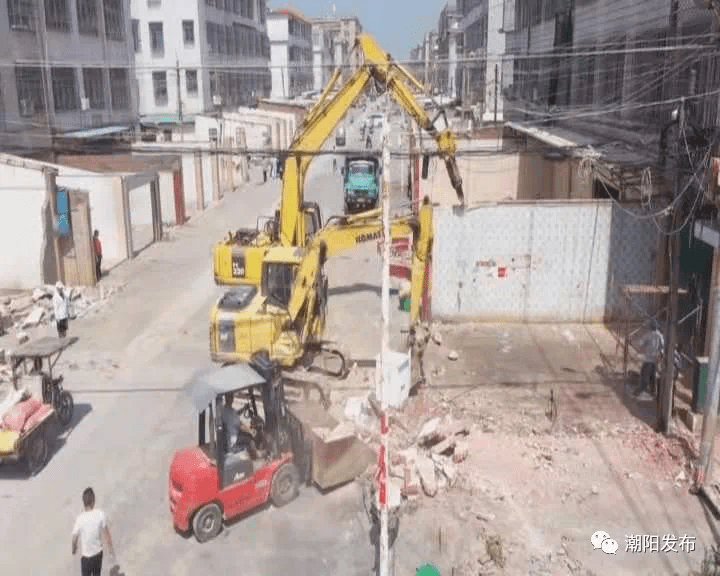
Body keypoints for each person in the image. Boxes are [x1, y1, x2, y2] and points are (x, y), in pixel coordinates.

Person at [72, 487, 115, 576]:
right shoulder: (100, 514)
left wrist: (74, 548)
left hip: (86, 557)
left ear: (83, 502)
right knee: (96, 574)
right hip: (97, 554)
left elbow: (74, 537)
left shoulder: (80, 518)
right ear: (93, 500)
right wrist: (111, 550)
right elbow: (107, 534)